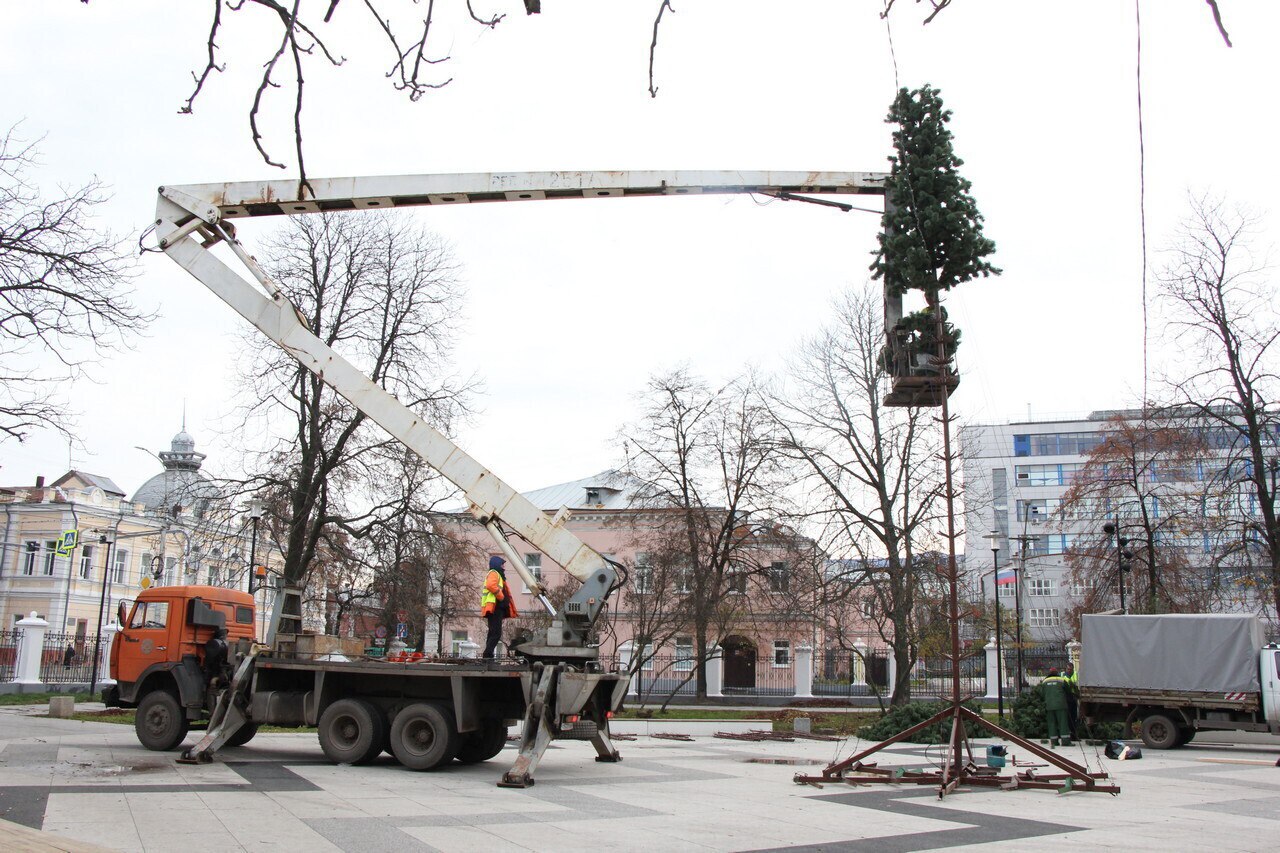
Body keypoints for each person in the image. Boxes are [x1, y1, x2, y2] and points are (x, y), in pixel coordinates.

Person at [481, 555, 518, 659]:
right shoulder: (494, 573)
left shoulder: (498, 575)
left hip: (495, 608)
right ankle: (487, 655)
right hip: (494, 608)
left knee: (493, 633)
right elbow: (491, 585)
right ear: (497, 564)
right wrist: (501, 597)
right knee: (496, 634)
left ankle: (488, 656)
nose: (503, 567)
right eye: (502, 564)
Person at [1041, 668, 1072, 747]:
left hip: (1049, 705)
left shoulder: (1044, 682)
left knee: (1051, 723)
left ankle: (1054, 742)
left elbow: (1042, 694)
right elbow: (1068, 691)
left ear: (1049, 673)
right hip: (1060, 705)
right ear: (1057, 672)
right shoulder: (1061, 680)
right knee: (1063, 723)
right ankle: (1065, 742)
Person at [1064, 662, 1080, 738]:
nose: (1069, 671)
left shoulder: (1076, 675)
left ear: (1073, 669)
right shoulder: (1062, 675)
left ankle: (1073, 735)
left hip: (1074, 698)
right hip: (1066, 698)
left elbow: (1078, 686)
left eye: (1070, 669)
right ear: (1066, 669)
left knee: (1074, 717)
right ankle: (1067, 734)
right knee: (1067, 717)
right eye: (1068, 669)